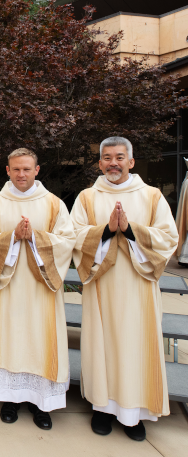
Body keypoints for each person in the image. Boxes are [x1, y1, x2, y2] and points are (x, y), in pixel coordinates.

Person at [71, 136, 178, 441]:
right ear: (100, 162)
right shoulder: (87, 198)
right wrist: (106, 230)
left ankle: (134, 414)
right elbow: (73, 236)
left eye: (119, 157)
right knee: (101, 345)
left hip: (138, 287)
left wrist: (130, 230)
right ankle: (102, 409)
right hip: (101, 286)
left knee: (136, 345)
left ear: (131, 162)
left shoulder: (152, 196)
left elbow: (168, 238)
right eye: (107, 157)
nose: (113, 163)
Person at [0, 148, 75, 430]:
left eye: (26, 169)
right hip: (8, 289)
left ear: (37, 170)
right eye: (16, 169)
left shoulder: (54, 204)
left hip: (41, 290)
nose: (21, 174)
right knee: (10, 338)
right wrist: (11, 238)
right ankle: (10, 399)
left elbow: (67, 241)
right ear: (7, 171)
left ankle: (41, 404)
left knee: (40, 339)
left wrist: (34, 238)